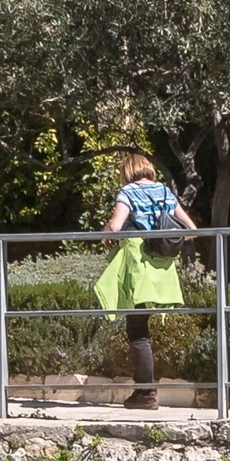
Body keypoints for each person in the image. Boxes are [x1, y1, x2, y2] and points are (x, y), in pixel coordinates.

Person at [93, 148, 192, 402]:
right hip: (162, 269)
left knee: (137, 329)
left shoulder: (128, 192)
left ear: (127, 172)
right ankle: (144, 391)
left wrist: (106, 233)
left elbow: (115, 226)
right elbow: (191, 230)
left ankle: (145, 392)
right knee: (143, 326)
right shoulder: (165, 192)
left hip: (138, 267)